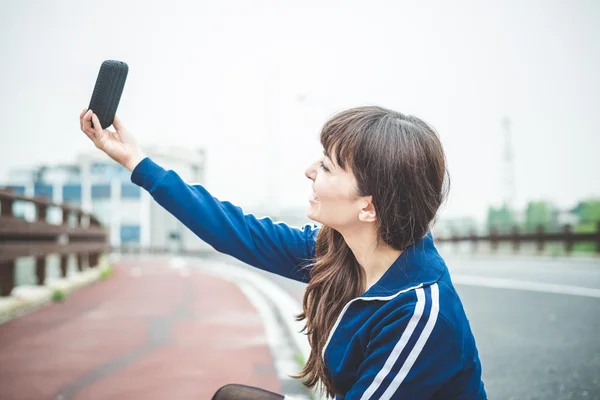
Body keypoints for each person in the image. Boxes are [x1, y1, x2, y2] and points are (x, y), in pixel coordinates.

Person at [80, 105, 487, 399]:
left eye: (327, 167)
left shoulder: (417, 314)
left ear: (368, 207)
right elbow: (235, 231)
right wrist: (134, 159)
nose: (310, 171)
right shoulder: (342, 251)